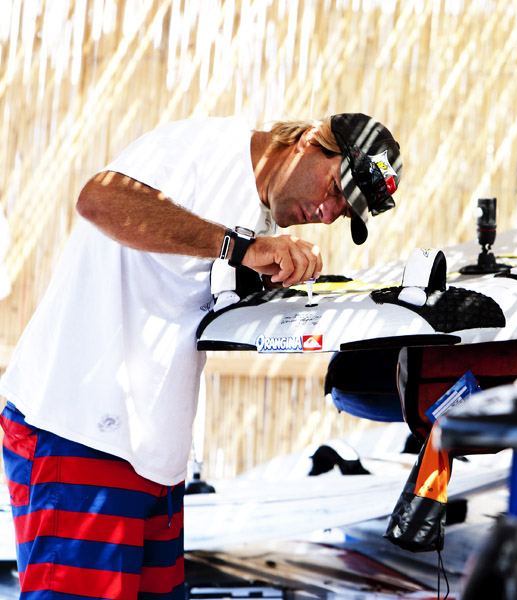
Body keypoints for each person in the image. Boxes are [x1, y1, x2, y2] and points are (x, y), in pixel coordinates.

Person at [0, 112, 402, 597]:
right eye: (335, 189)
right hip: (80, 433)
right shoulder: (208, 149)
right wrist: (238, 247)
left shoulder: (262, 220)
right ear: (311, 140)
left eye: (345, 212)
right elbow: (99, 199)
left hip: (154, 457)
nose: (328, 212)